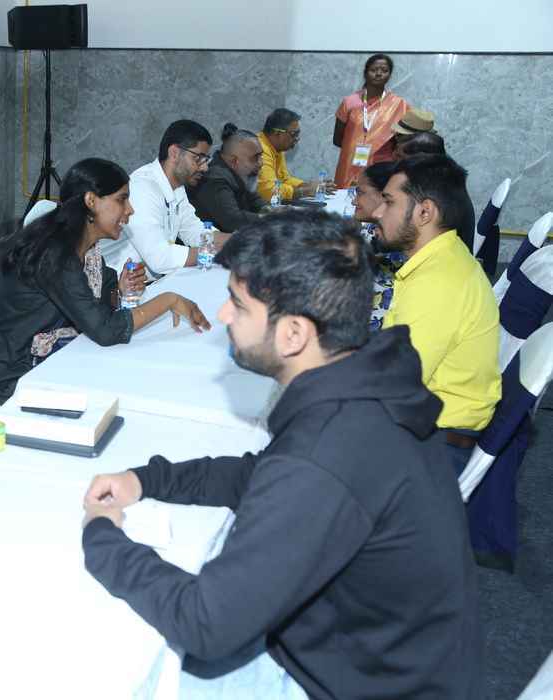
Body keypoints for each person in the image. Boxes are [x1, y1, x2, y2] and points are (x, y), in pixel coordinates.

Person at [80, 209, 481, 700]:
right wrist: (147, 480)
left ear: (293, 334)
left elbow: (205, 623)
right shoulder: (363, 385)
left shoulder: (326, 452)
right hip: (370, 653)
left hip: (357, 684)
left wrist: (101, 535)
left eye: (238, 305)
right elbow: (263, 474)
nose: (223, 316)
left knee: (109, 664)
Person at [0, 158, 210, 421]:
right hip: (5, 380)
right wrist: (169, 300)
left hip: (45, 361)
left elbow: (99, 303)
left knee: (124, 385)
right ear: (91, 201)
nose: (130, 210)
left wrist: (121, 289)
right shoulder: (56, 255)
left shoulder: (86, 248)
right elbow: (105, 330)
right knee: (106, 407)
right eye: (122, 199)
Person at [374, 155, 500, 474]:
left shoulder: (438, 282)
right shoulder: (443, 257)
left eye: (388, 202)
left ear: (424, 212)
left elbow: (392, 389)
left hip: (432, 447)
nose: (377, 212)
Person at [99, 120, 226, 280]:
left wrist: (237, 241)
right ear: (174, 153)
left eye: (206, 160)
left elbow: (194, 231)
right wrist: (216, 251)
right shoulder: (141, 187)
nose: (204, 167)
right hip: (117, 287)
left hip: (151, 281)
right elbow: (160, 258)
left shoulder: (177, 187)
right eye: (198, 159)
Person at [333, 53, 410, 187]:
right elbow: (338, 139)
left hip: (381, 167)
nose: (379, 74)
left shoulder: (399, 104)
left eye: (384, 70)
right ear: (365, 72)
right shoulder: (349, 102)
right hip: (349, 166)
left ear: (389, 75)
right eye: (374, 70)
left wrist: (377, 150)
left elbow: (403, 141)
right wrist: (355, 146)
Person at [353, 161, 404, 332]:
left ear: (385, 196)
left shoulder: (394, 241)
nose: (354, 201)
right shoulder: (373, 229)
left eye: (360, 192)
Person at [187, 123, 265, 232]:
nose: (261, 163)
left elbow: (254, 200)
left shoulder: (241, 174)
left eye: (261, 156)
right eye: (255, 158)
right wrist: (269, 218)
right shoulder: (214, 180)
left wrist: (274, 211)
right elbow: (233, 221)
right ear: (234, 161)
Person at [257, 108, 334, 203]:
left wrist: (308, 185)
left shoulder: (276, 148)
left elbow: (284, 179)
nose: (297, 139)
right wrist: (306, 191)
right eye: (294, 134)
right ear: (277, 133)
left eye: (298, 134)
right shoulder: (260, 149)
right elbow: (269, 191)